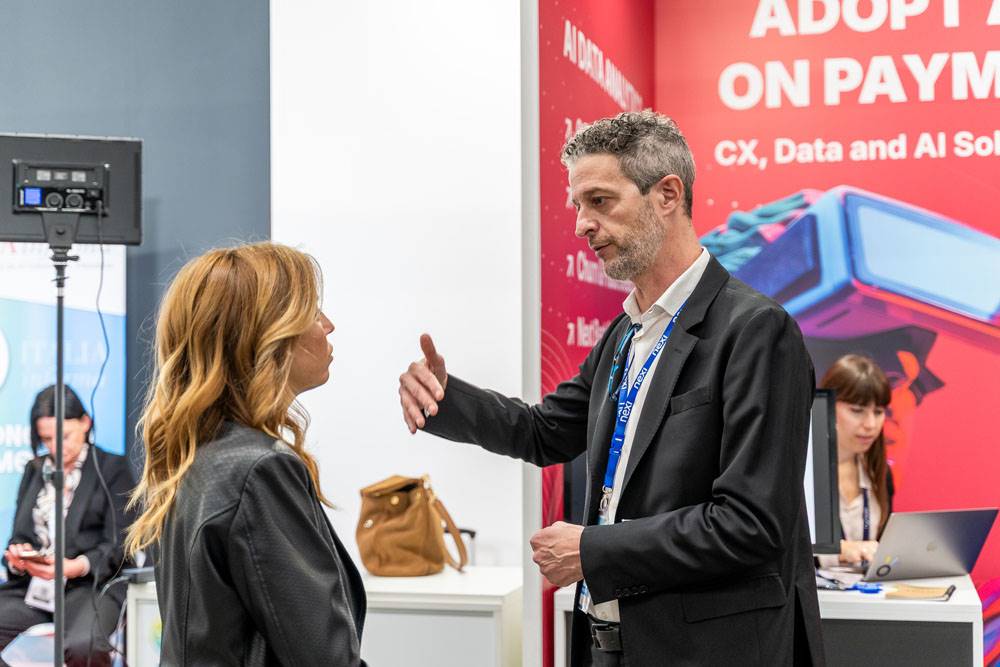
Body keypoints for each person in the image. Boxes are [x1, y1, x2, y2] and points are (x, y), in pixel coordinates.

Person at [398, 111, 825, 665]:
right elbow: (545, 431)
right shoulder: (626, 333)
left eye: (599, 201)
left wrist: (593, 550)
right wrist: (445, 397)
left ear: (667, 194)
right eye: (577, 205)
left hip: (705, 652)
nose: (581, 225)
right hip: (612, 644)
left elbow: (751, 523)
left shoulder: (755, 331)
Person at [125, 242, 366, 666]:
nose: (327, 326)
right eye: (312, 312)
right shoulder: (259, 470)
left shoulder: (198, 456)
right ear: (266, 333)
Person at [0, 384, 134, 667]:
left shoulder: (111, 468)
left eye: (64, 437)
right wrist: (18, 558)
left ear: (85, 423)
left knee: (84, 646)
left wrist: (75, 566)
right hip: (34, 587)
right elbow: (19, 536)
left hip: (89, 586)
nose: (56, 448)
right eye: (47, 439)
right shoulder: (35, 469)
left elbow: (119, 546)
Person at [816, 354, 894, 568]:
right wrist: (840, 550)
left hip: (863, 588)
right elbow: (779, 550)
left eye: (878, 412)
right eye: (857, 411)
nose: (870, 424)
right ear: (827, 406)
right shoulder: (800, 471)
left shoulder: (879, 472)